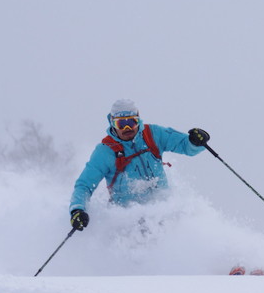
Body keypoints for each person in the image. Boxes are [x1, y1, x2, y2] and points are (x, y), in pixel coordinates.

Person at [69, 99, 210, 231]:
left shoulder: (152, 134)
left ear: (138, 119)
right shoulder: (105, 151)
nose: (127, 128)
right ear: (112, 123)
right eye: (121, 124)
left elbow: (185, 146)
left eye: (132, 122)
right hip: (128, 223)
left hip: (164, 212)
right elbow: (84, 185)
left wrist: (195, 142)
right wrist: (78, 209)